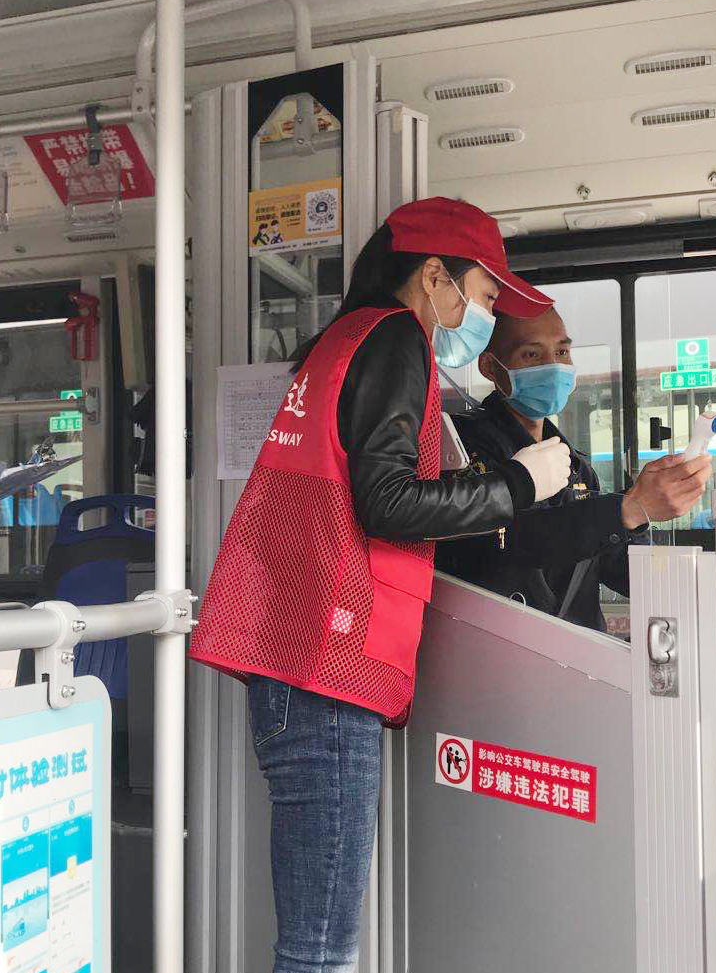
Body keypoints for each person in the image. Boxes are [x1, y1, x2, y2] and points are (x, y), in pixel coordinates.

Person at [189, 197, 571, 973]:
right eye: (484, 295)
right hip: (325, 672)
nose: (484, 317)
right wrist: (517, 485)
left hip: (300, 662)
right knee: (320, 951)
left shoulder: (345, 339)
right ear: (434, 276)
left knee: (313, 942)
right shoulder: (397, 336)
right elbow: (387, 501)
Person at [436, 307, 712, 631]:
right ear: (490, 367)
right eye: (531, 354)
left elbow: (616, 568)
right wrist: (628, 509)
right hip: (499, 644)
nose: (553, 366)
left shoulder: (576, 465)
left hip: (580, 650)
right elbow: (509, 541)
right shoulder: (461, 448)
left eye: (562, 352)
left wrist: (643, 519)